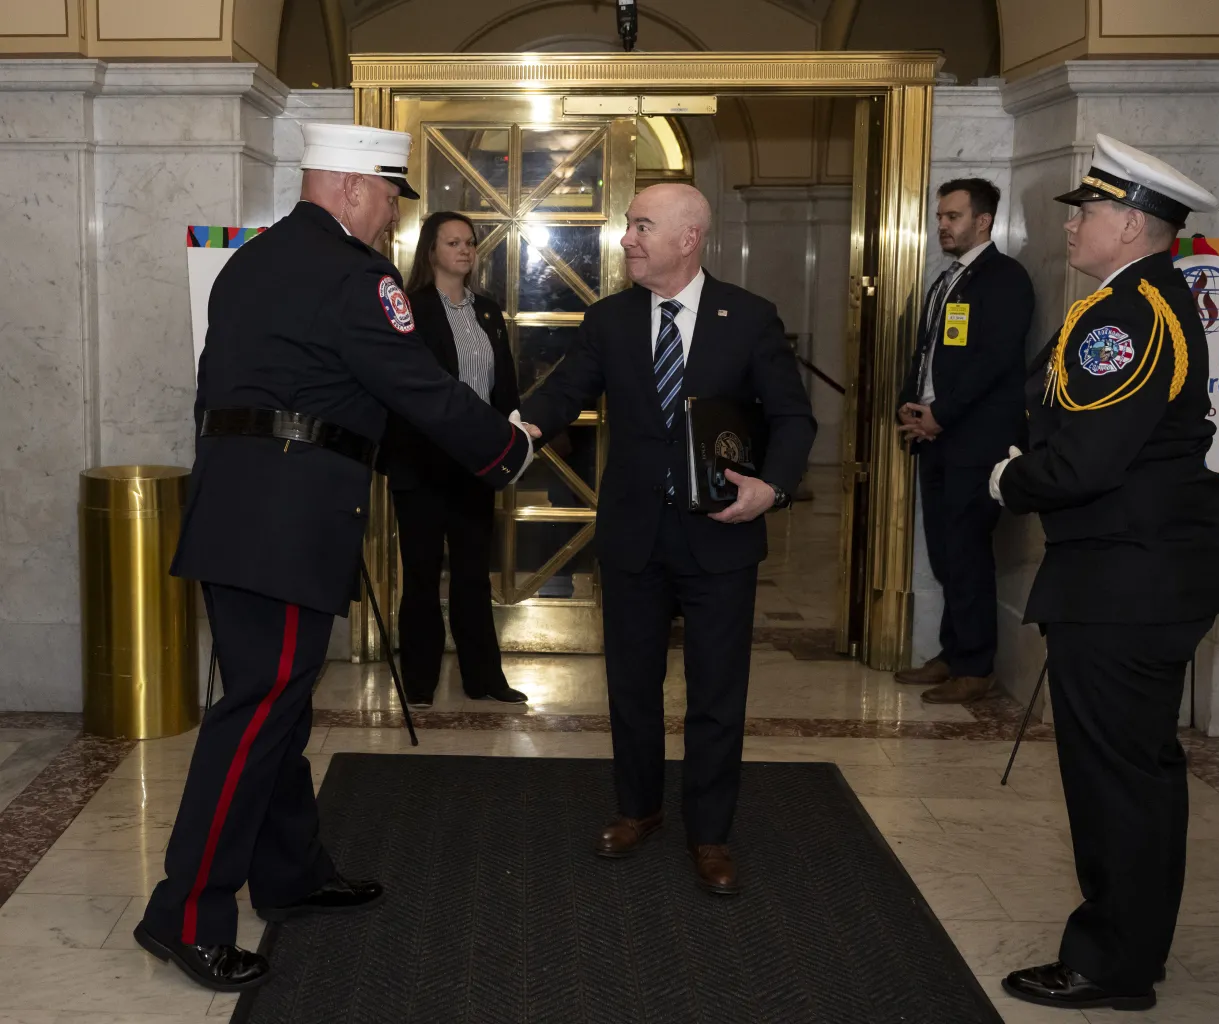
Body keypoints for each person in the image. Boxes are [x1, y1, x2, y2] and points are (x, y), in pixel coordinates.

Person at [133, 124, 534, 993]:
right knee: (254, 717)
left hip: (243, 508)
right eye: (390, 197)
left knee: (273, 707)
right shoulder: (355, 274)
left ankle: (291, 874)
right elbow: (415, 385)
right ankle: (185, 912)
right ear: (351, 188)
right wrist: (504, 449)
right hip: (287, 516)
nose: (394, 217)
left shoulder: (256, 262)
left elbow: (251, 386)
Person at [991, 135, 1219, 1012]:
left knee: (1115, 783)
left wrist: (1007, 478)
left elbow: (1083, 461)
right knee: (1141, 773)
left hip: (1127, 578)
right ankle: (1137, 946)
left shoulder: (1123, 315)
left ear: (1132, 224)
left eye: (1090, 211)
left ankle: (1110, 964)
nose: (1076, 226)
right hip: (1153, 569)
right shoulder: (1148, 297)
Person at [519, 183, 816, 895]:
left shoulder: (749, 318)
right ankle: (638, 809)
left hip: (721, 535)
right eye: (628, 225)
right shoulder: (610, 319)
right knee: (631, 686)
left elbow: (793, 419)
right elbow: (564, 395)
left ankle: (710, 832)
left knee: (716, 692)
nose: (626, 238)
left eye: (642, 226)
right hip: (634, 538)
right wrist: (517, 430)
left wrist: (769, 489)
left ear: (690, 238)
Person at [894, 179, 1035, 704]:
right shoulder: (945, 281)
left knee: (969, 551)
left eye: (952, 216)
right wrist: (909, 404)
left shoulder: (1005, 279)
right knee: (947, 553)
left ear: (983, 221)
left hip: (976, 441)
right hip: (936, 437)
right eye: (940, 216)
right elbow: (927, 351)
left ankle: (975, 666)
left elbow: (994, 363)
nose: (942, 225)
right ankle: (953, 654)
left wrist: (942, 415)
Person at [378, 211, 526, 707]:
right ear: (431, 251)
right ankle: (418, 684)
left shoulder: (487, 311)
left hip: (476, 465)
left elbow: (503, 385)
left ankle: (484, 678)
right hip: (422, 465)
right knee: (420, 574)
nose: (464, 251)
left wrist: (512, 442)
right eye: (453, 242)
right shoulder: (410, 308)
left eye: (470, 243)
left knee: (472, 575)